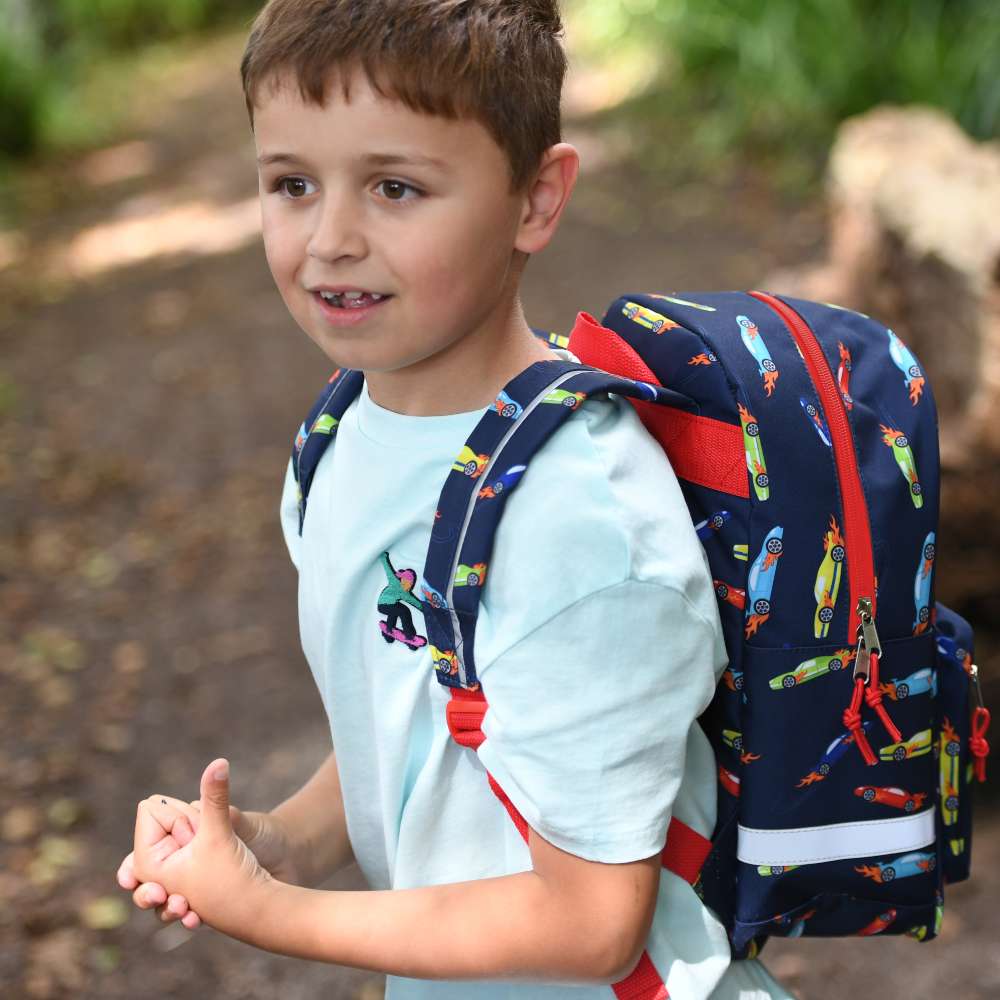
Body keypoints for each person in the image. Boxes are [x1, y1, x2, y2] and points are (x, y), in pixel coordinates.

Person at [116, 1, 791, 996]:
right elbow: (426, 729)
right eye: (292, 183)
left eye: (395, 186)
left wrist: (277, 915)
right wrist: (265, 849)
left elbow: (593, 920)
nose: (330, 238)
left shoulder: (578, 519)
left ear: (536, 199)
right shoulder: (339, 441)